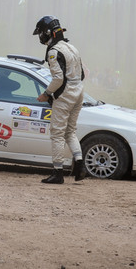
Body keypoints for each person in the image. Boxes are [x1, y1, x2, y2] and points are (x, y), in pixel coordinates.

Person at [33, 15, 88, 184]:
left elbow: (58, 78)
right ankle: (79, 166)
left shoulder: (54, 51)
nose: (40, 37)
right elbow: (83, 74)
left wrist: (47, 94)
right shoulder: (72, 47)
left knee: (57, 134)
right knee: (70, 131)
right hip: (79, 92)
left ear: (48, 33)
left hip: (65, 96)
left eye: (41, 33)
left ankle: (58, 173)